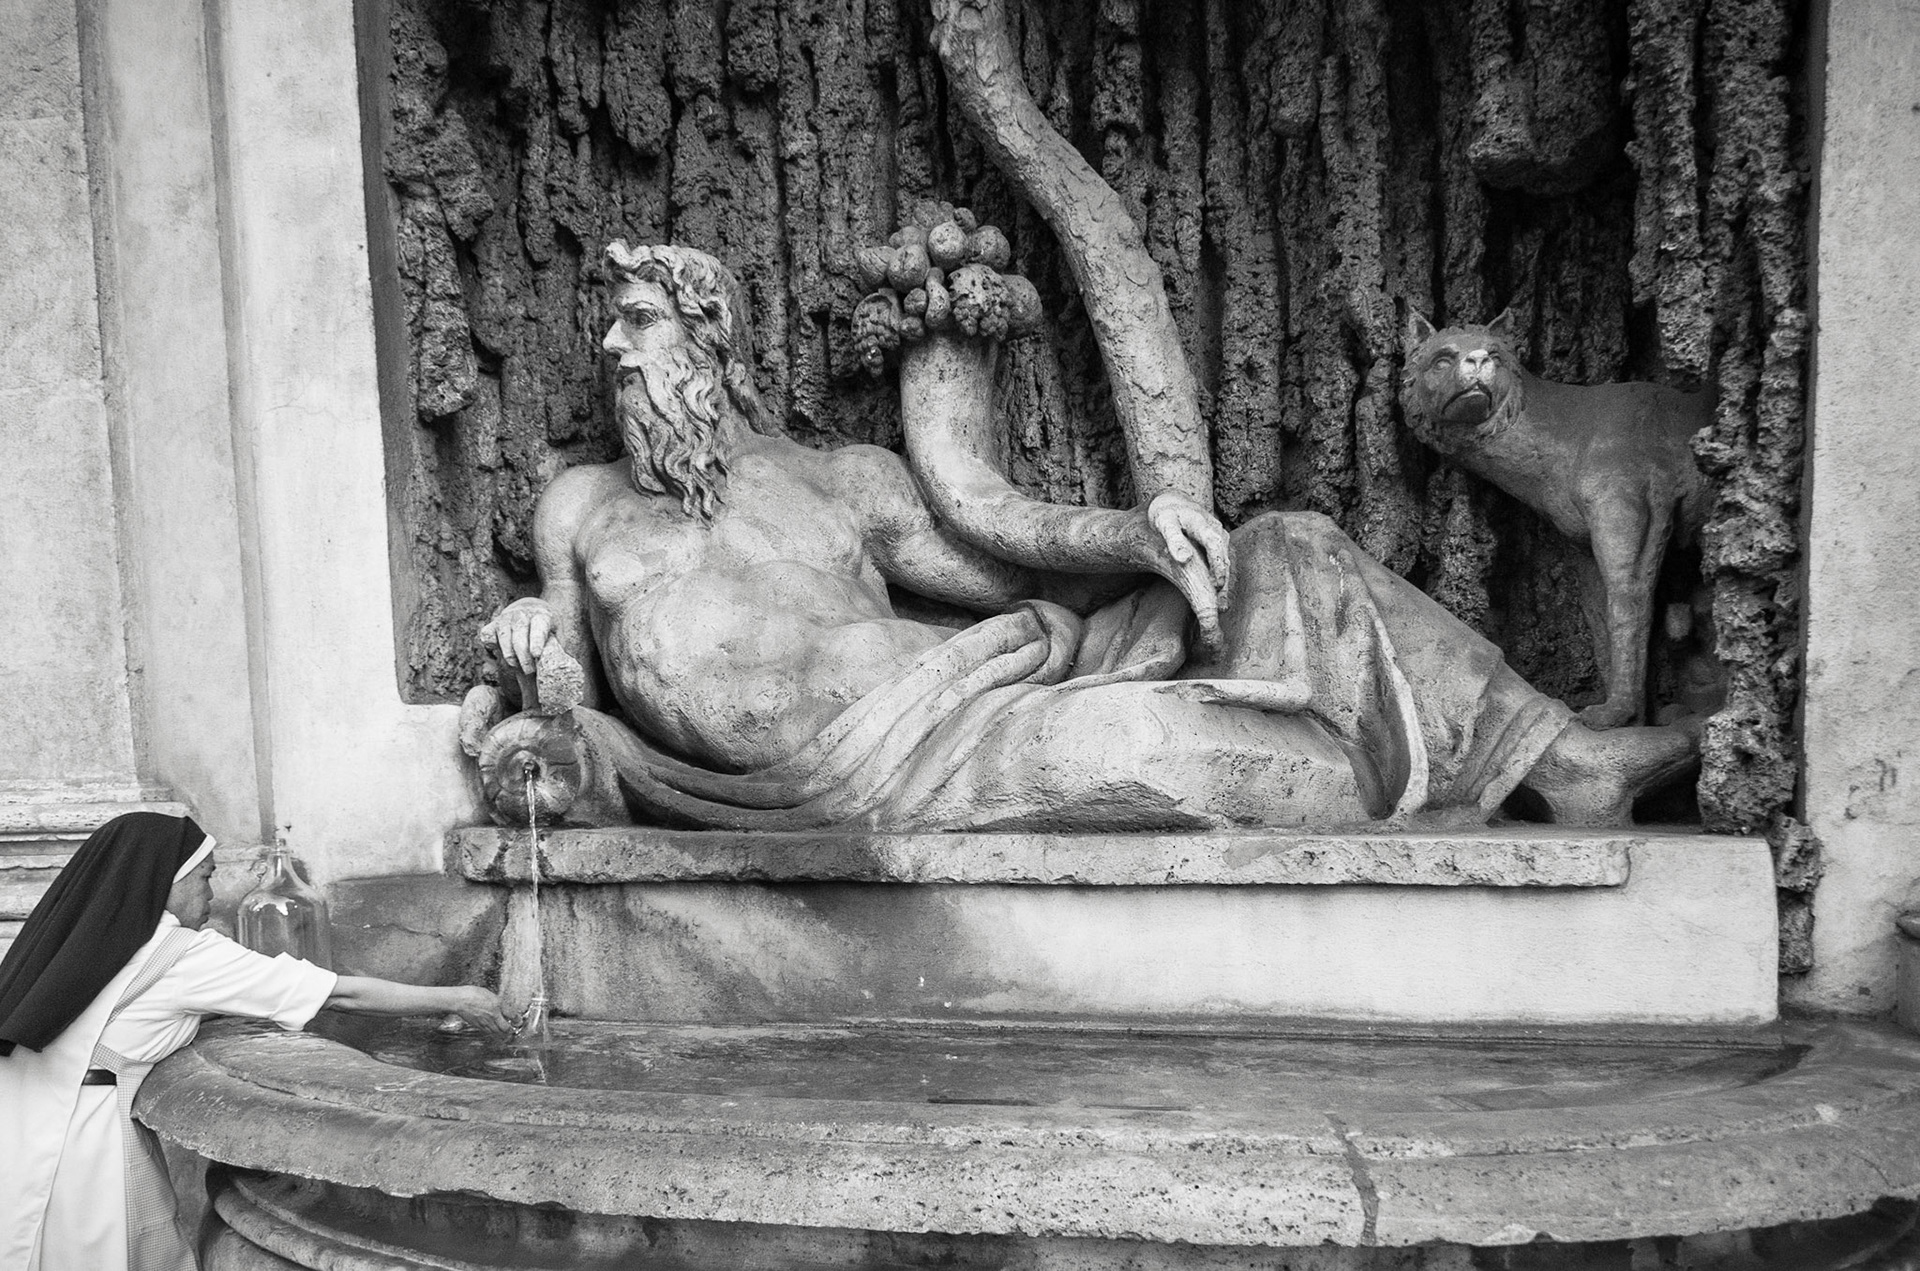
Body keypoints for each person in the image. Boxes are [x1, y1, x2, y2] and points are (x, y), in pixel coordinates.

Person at [461, 244, 1695, 833]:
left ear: (707, 338)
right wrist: (530, 651)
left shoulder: (837, 478)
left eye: (636, 322)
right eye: (611, 328)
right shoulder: (579, 509)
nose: (615, 348)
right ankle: (1375, 766)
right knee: (1135, 741)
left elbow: (1003, 559)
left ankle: (1561, 757)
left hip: (981, 683)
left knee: (1288, 542)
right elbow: (570, 699)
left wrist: (1142, 533)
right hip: (879, 777)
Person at [0, 812, 511, 1271]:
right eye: (205, 878)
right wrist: (457, 997)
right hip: (90, 1142)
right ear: (167, 880)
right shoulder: (183, 955)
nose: (211, 895)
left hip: (26, 1120)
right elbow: (343, 996)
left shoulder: (81, 940)